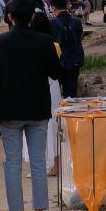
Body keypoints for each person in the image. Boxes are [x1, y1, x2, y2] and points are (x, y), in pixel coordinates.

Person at [0, 0, 61, 211]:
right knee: (38, 161)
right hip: (37, 106)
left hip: (10, 108)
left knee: (12, 162)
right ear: (32, 17)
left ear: (9, 16)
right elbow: (55, 72)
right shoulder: (44, 41)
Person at [25, 12, 62, 176]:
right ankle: (55, 164)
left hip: (37, 86)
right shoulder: (54, 45)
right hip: (52, 86)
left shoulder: (30, 45)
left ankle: (44, 163)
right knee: (53, 124)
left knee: (39, 125)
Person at [49, 0, 85, 98]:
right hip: (74, 62)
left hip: (58, 63)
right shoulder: (77, 22)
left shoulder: (52, 24)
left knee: (55, 95)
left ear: (53, 8)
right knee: (71, 95)